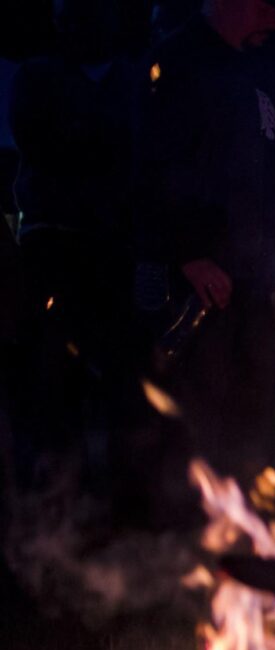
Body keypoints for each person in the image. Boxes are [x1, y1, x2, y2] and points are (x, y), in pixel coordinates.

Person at [134, 0, 275, 484]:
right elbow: (148, 171)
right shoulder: (176, 64)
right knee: (199, 428)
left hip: (253, 284)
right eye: (265, 6)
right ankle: (191, 543)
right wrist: (188, 254)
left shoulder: (259, 72)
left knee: (254, 421)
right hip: (194, 287)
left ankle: (251, 540)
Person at [9, 0, 139, 500]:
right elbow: (49, 146)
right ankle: (46, 493)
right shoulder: (37, 77)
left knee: (116, 377)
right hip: (54, 246)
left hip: (116, 250)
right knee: (49, 374)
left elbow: (141, 156)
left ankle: (109, 495)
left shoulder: (133, 80)